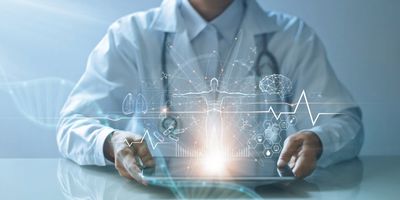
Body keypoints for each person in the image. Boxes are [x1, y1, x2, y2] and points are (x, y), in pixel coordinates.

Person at [57, 0, 363, 185]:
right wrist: (110, 142)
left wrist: (319, 141)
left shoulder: (292, 37)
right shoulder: (131, 35)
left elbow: (346, 122)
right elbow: (73, 125)